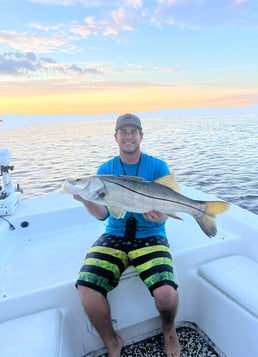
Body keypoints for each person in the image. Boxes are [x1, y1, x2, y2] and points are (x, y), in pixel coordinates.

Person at [74, 113, 181, 357]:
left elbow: (169, 206)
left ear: (141, 136)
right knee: (87, 287)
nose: (128, 136)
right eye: (123, 132)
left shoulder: (157, 166)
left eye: (133, 131)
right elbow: (102, 215)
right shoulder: (105, 170)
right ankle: (112, 341)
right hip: (115, 235)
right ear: (116, 137)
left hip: (150, 236)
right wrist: (85, 199)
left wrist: (162, 216)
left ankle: (169, 329)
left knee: (166, 293)